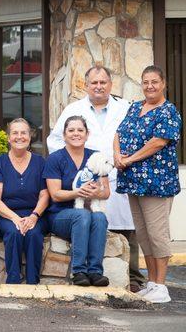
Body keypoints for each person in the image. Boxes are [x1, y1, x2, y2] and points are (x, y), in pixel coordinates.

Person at [47, 65, 145, 292]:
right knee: (89, 217)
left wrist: (125, 158)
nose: (99, 86)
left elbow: (136, 136)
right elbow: (54, 141)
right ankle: (84, 270)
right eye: (94, 83)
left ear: (111, 85)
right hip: (87, 174)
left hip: (120, 172)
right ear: (86, 85)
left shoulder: (125, 108)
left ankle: (134, 279)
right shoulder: (74, 109)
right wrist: (75, 164)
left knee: (127, 228)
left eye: (103, 82)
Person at [115, 65, 182, 303]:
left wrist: (129, 158)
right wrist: (117, 156)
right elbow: (119, 133)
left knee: (157, 234)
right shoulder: (135, 107)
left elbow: (158, 142)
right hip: (133, 182)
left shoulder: (168, 111)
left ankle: (162, 286)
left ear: (163, 83)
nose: (150, 86)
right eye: (145, 82)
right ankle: (152, 283)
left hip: (157, 183)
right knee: (143, 234)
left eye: (154, 81)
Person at [44, 116, 110, 287]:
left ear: (87, 134)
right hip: (59, 215)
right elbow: (55, 195)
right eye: (71, 130)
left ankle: (95, 272)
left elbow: (106, 192)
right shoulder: (55, 159)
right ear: (64, 135)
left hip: (86, 213)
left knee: (100, 217)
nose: (76, 134)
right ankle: (79, 271)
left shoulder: (96, 157)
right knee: (82, 215)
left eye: (80, 130)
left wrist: (98, 192)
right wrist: (78, 192)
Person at [0, 118, 49, 284]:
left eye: (24, 133)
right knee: (14, 233)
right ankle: (13, 281)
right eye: (15, 133)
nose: (19, 137)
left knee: (34, 234)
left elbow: (45, 194)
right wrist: (14, 218)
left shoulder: (40, 162)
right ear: (8, 138)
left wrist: (34, 216)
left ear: (30, 137)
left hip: (35, 214)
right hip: (6, 215)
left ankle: (32, 282)